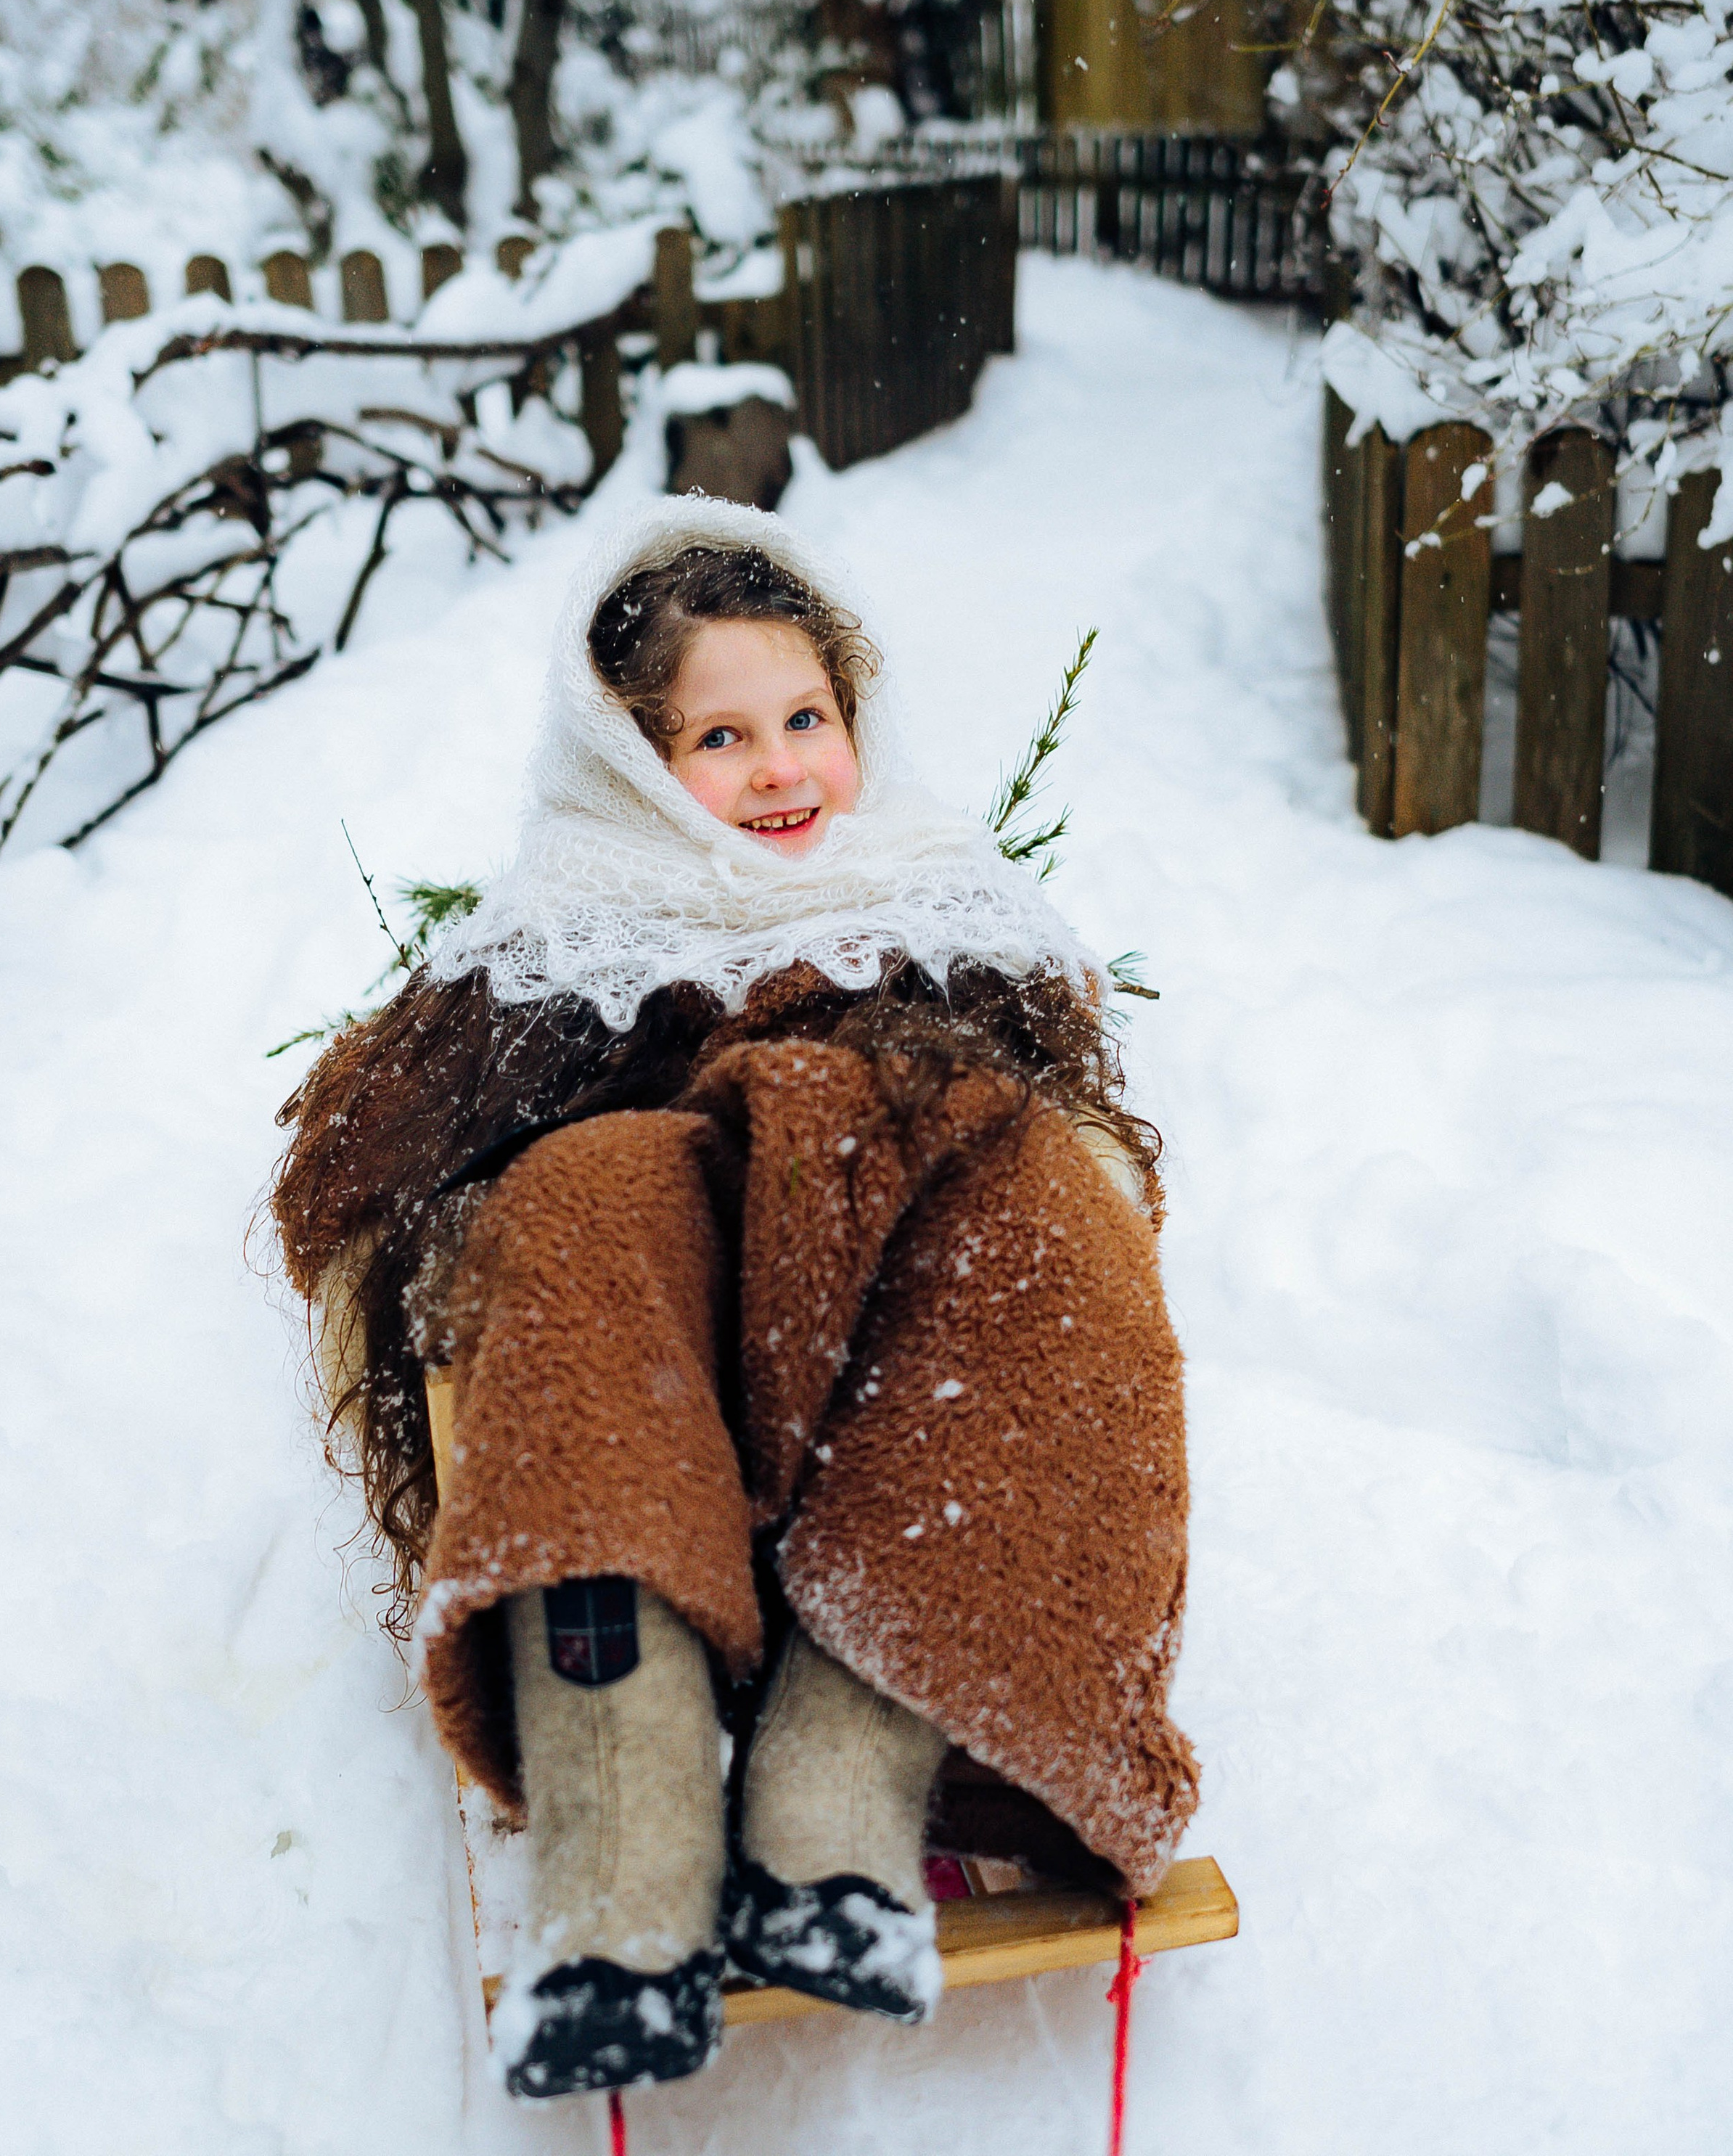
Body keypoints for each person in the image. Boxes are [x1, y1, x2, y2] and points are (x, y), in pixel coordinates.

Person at [270, 498, 1197, 2102]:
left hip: (892, 1418)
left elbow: (1085, 1181)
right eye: (717, 734)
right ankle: (620, 1844)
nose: (779, 770)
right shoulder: (552, 950)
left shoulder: (944, 920)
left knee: (1017, 1179)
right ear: (631, 757)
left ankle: (834, 1809)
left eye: (804, 720)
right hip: (655, 1396)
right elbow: (386, 1215)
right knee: (580, 1187)